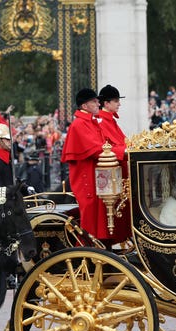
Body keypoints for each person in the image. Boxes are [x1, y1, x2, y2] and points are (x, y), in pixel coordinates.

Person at [61, 88, 125, 242]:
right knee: (90, 222)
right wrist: (124, 152)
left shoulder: (90, 121)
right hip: (87, 181)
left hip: (95, 177)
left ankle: (101, 247)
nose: (98, 104)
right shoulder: (79, 124)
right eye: (94, 102)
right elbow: (98, 149)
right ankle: (86, 252)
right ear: (84, 106)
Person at [97, 84, 131, 242]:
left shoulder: (110, 121)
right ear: (106, 103)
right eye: (116, 101)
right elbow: (107, 146)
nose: (119, 104)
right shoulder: (102, 122)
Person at [0, 106, 33, 193]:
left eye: (10, 139)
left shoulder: (6, 159)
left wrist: (25, 187)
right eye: (7, 139)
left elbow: (11, 181)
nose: (10, 142)